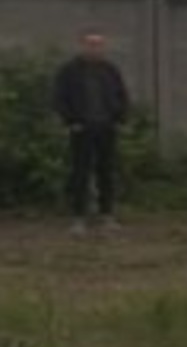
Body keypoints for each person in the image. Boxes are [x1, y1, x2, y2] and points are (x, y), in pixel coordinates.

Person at [52, 29, 130, 235]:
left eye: (99, 44)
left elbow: (122, 95)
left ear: (103, 47)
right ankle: (79, 219)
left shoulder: (110, 70)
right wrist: (70, 121)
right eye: (90, 44)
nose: (95, 48)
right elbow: (59, 98)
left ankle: (107, 216)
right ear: (82, 45)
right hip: (81, 129)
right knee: (80, 173)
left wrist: (119, 119)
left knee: (106, 172)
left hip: (106, 128)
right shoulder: (69, 71)